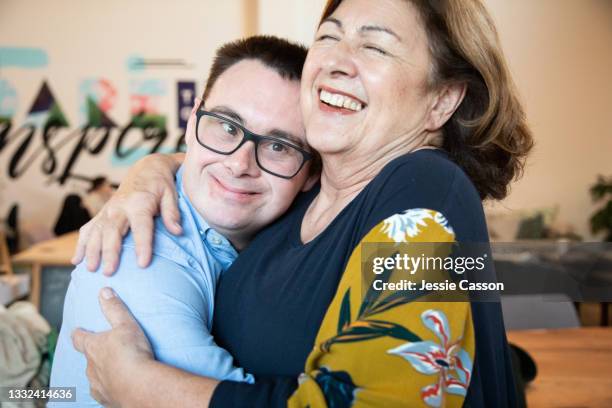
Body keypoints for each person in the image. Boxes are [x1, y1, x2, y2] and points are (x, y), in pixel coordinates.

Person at [70, 0, 533, 406]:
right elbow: (236, 159)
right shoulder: (299, 197)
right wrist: (150, 171)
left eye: (375, 47)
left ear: (443, 99)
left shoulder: (433, 190)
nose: (336, 62)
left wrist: (143, 390)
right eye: (328, 37)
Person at [50, 36, 318, 406]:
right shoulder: (136, 255)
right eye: (227, 126)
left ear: (311, 173)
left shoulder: (312, 218)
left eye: (278, 146)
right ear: (193, 123)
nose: (240, 164)